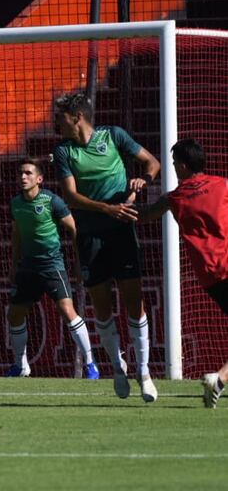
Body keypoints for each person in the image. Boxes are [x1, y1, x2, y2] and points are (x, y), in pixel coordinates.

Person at [53, 92, 161, 402]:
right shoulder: (63, 151)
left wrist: (144, 181)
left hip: (122, 233)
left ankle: (144, 373)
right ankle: (117, 366)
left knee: (133, 302)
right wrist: (106, 209)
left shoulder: (113, 136)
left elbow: (151, 162)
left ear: (77, 117)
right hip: (91, 237)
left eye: (59, 117)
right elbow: (71, 197)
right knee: (101, 306)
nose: (55, 123)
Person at [134, 138, 228, 408]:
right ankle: (218, 379)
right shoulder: (223, 185)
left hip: (210, 276)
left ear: (184, 166)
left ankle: (219, 380)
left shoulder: (174, 198)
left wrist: (119, 201)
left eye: (175, 164)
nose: (174, 167)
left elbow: (141, 217)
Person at [5, 158, 98, 378]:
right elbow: (17, 235)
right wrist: (13, 264)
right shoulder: (15, 204)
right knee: (15, 314)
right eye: (20, 173)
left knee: (67, 311)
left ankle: (91, 364)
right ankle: (21, 365)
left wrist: (78, 262)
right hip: (28, 267)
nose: (23, 177)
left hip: (52, 266)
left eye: (28, 173)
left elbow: (74, 229)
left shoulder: (52, 201)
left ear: (39, 179)